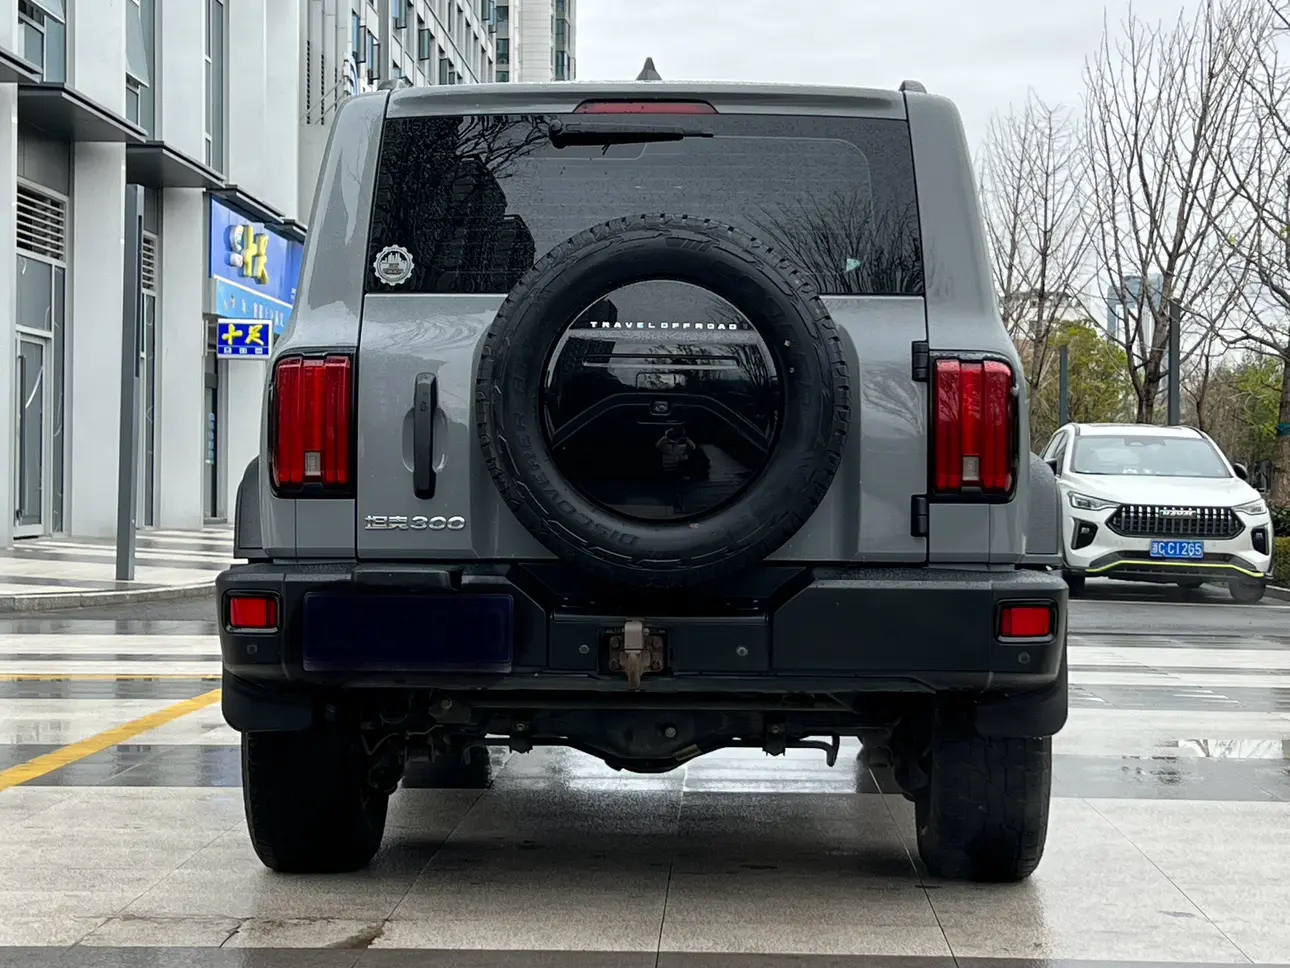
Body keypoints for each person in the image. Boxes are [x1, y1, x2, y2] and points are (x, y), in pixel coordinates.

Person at [656, 426, 696, 513]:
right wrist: (666, 436)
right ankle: (674, 504)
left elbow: (693, 447)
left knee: (678, 487)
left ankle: (679, 503)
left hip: (678, 468)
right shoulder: (666, 443)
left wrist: (686, 437)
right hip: (668, 469)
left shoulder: (683, 443)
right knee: (671, 488)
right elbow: (658, 445)